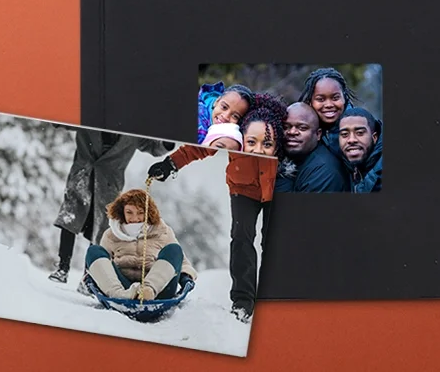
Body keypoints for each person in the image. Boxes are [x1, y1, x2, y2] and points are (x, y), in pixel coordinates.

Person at [147, 93, 284, 323]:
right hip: (243, 186)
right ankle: (242, 302)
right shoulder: (235, 129)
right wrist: (171, 164)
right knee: (241, 238)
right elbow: (203, 147)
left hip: (275, 186)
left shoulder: (277, 130)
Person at [48, 128, 173, 284]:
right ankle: (62, 267)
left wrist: (169, 140)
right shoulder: (89, 118)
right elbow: (64, 121)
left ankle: (88, 277)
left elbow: (154, 147)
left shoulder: (133, 131)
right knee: (70, 218)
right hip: (83, 176)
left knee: (99, 231)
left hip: (108, 185)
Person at [85, 188, 198, 300]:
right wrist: (93, 278)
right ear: (121, 212)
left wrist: (185, 277)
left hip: (159, 290)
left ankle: (148, 291)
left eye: (140, 213)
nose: (134, 218)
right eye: (129, 212)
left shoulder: (162, 231)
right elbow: (103, 265)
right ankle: (118, 295)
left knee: (174, 249)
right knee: (94, 251)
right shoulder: (111, 234)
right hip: (123, 287)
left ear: (148, 213)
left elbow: (181, 262)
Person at [278, 102, 350, 193]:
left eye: (302, 128)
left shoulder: (324, 171)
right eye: (285, 127)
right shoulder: (289, 157)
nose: (292, 132)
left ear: (318, 134)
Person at [297, 67, 358, 157]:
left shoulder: (361, 126)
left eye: (335, 98)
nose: (329, 105)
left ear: (344, 97)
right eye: (320, 99)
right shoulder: (307, 129)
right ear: (310, 101)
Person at [338, 107, 383, 193]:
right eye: (344, 134)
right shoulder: (347, 169)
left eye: (360, 133)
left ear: (374, 137)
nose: (351, 140)